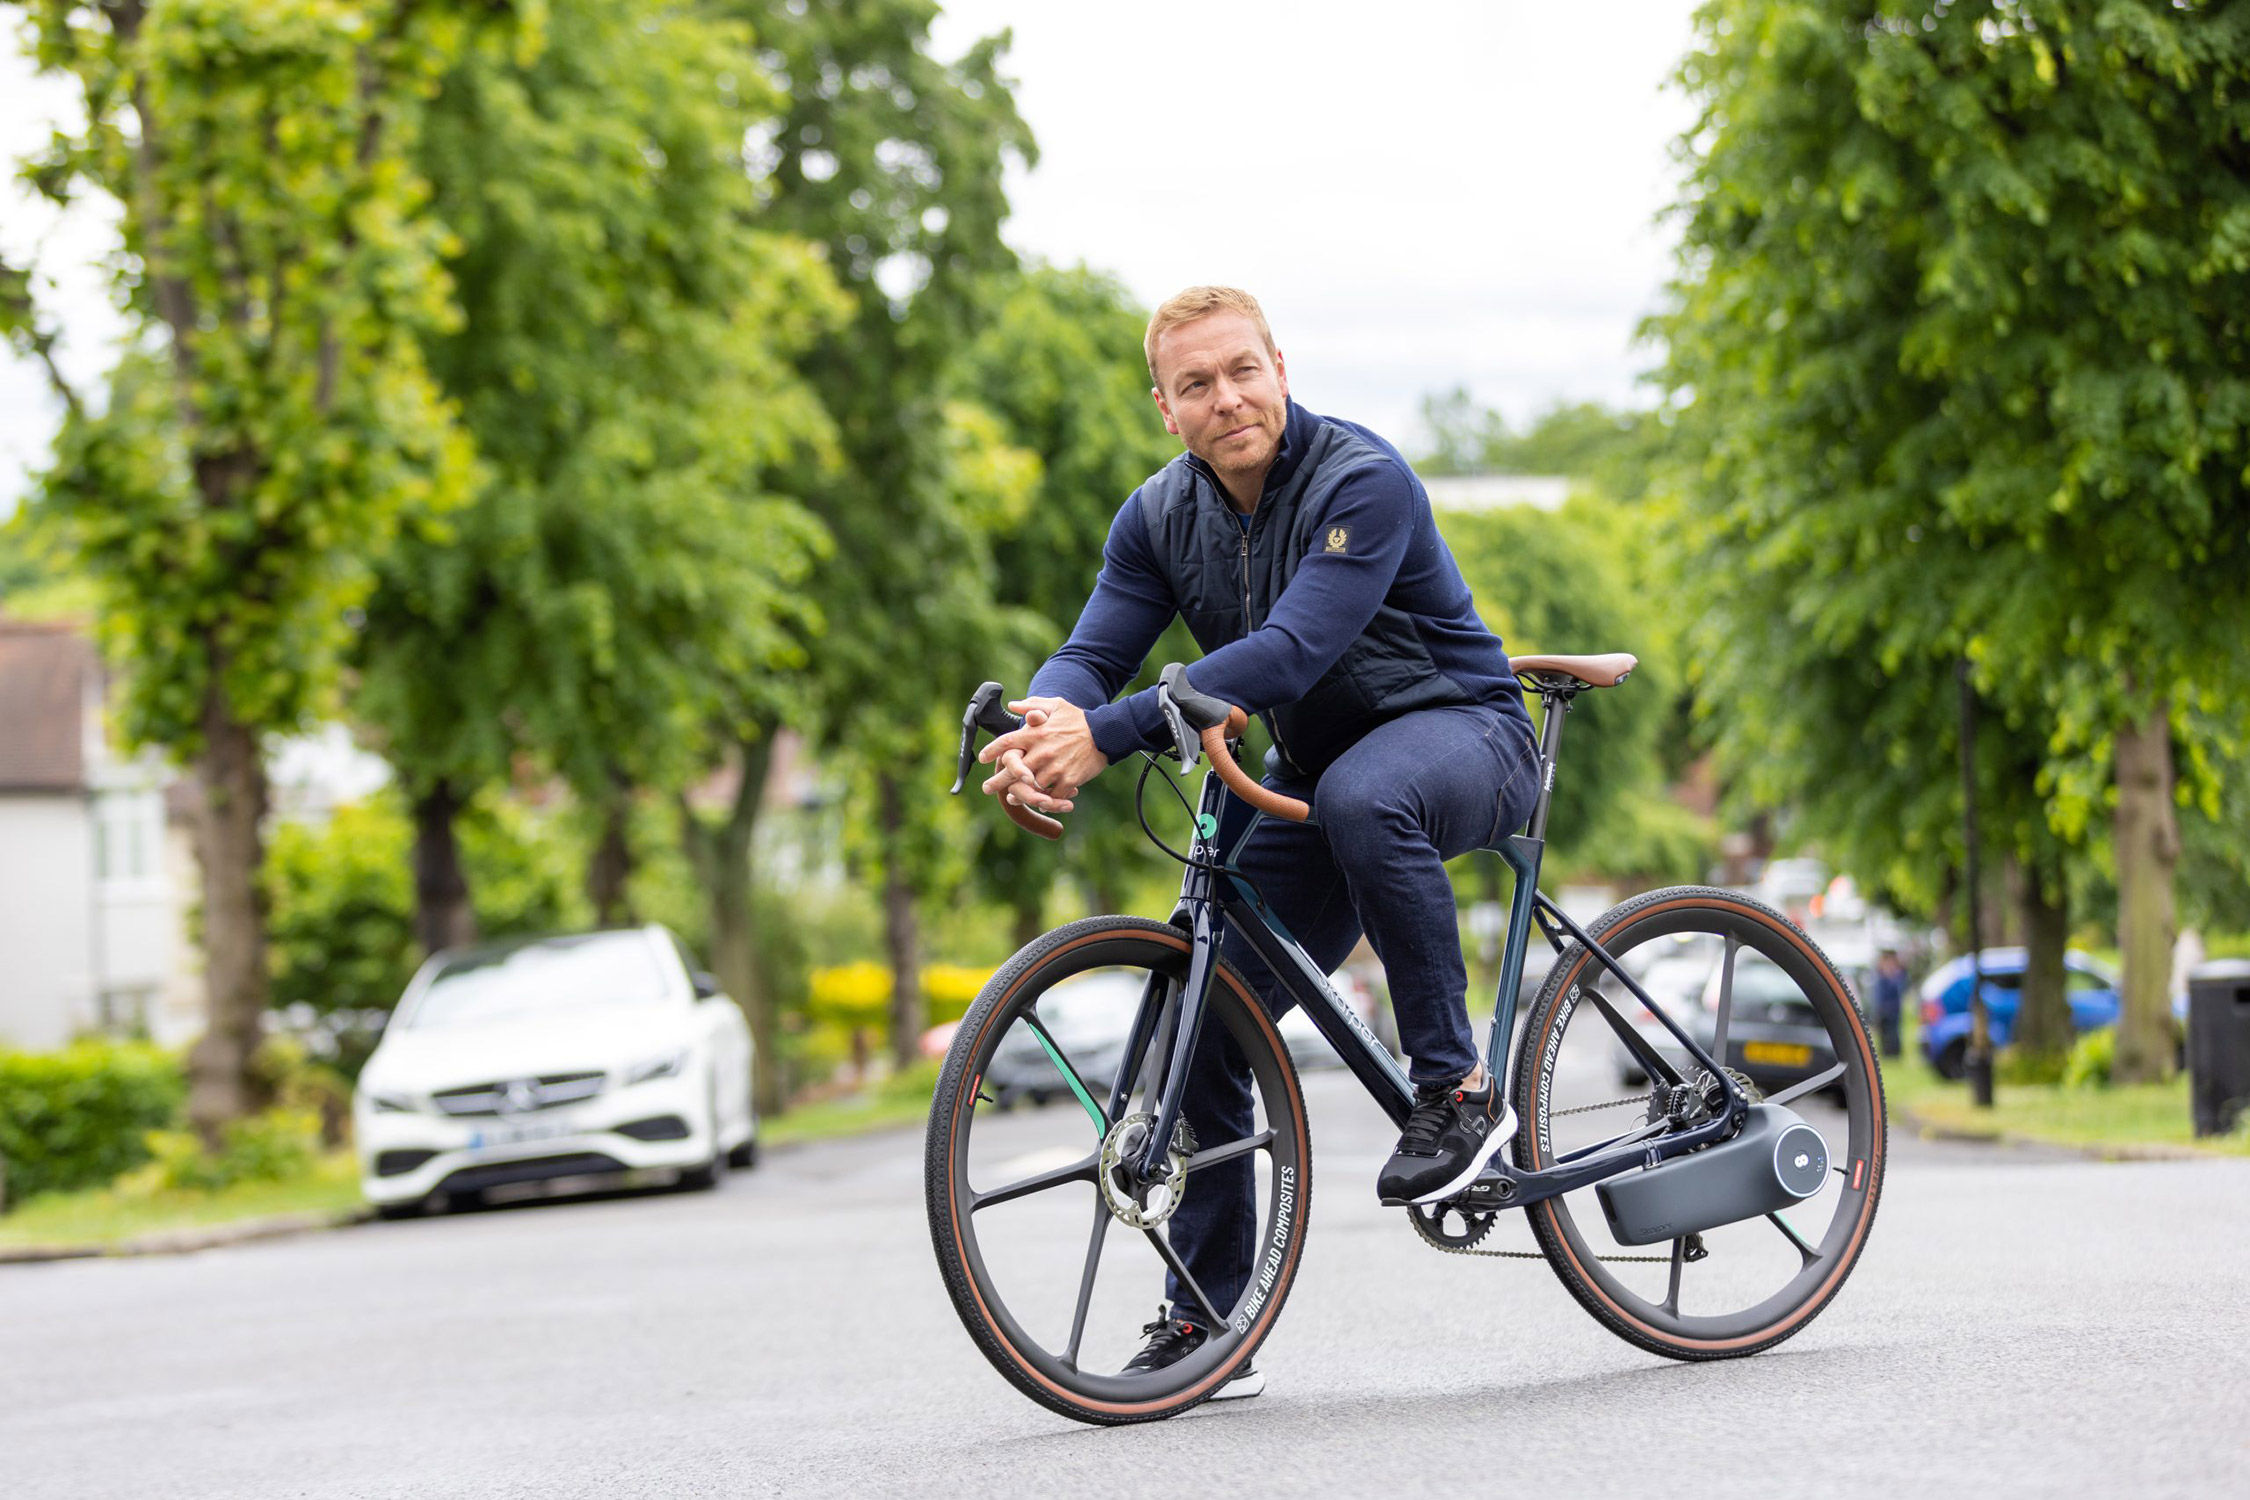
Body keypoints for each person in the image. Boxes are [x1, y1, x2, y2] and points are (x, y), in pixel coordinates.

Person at [976, 286, 1542, 1394]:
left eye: (1243, 370)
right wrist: (1051, 721)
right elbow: (1093, 653)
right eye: (1197, 384)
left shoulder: (1360, 480)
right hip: (1318, 777)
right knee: (1200, 1010)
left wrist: (1110, 732)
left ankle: (1459, 1090)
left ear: (1279, 367)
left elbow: (1288, 654)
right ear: (1165, 407)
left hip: (1467, 732)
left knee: (1368, 796)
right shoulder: (1158, 517)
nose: (1226, 398)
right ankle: (1208, 1320)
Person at [1872, 949, 1908, 1059]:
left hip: (1893, 1009)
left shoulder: (1896, 975)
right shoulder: (1881, 976)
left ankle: (1894, 1053)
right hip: (1884, 1008)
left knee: (1893, 1032)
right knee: (1884, 1033)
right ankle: (1887, 1052)